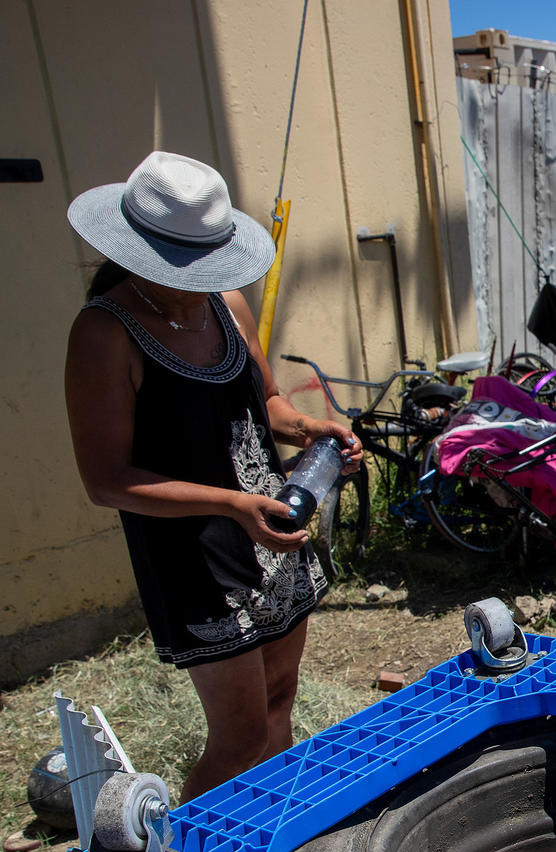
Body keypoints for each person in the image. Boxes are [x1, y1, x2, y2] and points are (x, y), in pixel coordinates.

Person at [64, 151, 363, 802]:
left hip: (273, 527)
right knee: (240, 738)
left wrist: (315, 431)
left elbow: (267, 403)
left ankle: (272, 840)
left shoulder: (227, 303)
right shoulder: (104, 334)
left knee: (281, 702)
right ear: (140, 251)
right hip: (195, 553)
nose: (202, 279)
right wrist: (231, 505)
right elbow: (106, 479)